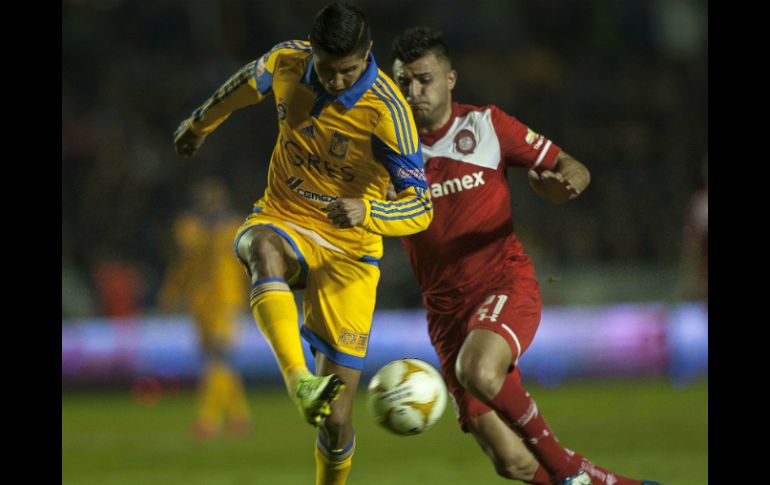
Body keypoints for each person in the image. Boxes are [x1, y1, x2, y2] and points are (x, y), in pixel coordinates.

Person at [173, 4, 432, 484]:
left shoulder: (389, 113)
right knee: (259, 245)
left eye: (348, 71)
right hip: (286, 216)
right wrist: (199, 123)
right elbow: (241, 87)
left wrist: (369, 210)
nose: (335, 81)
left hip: (350, 253)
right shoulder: (288, 61)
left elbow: (421, 208)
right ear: (313, 52)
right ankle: (298, 380)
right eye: (327, 69)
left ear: (368, 54)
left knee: (335, 423)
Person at [390, 27, 660, 485]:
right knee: (510, 461)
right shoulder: (387, 150)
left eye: (424, 80)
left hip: (503, 285)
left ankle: (570, 473)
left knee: (478, 368)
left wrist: (564, 183)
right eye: (404, 83)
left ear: (451, 79)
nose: (413, 93)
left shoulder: (486, 126)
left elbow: (571, 167)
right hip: (444, 314)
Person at [159, 177, 252, 440]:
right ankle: (238, 416)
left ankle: (207, 419)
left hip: (226, 299)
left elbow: (245, 265)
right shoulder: (189, 227)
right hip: (200, 301)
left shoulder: (234, 227)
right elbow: (184, 262)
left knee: (218, 357)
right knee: (217, 360)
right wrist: (172, 292)